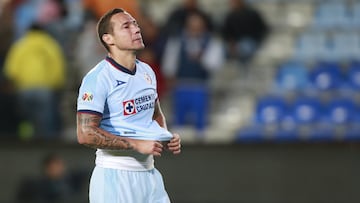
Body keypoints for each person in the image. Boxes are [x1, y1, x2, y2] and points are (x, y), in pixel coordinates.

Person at [76, 8, 181, 203]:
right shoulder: (98, 78)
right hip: (115, 176)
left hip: (150, 175)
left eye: (135, 24)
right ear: (109, 39)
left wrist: (164, 136)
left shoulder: (146, 70)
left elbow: (154, 111)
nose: (136, 29)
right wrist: (136, 144)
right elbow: (85, 134)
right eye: (126, 26)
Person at [161, 11, 225, 138]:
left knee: (200, 122)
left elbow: (214, 64)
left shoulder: (211, 42)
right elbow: (169, 62)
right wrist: (170, 76)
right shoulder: (178, 41)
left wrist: (201, 58)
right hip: (181, 84)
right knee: (179, 120)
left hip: (200, 85)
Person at [4, 23, 66, 139]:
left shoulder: (21, 45)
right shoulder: (50, 44)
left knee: (26, 118)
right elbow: (58, 66)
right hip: (45, 89)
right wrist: (56, 84)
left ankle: (27, 142)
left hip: (24, 89)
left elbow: (11, 69)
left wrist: (16, 84)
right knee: (45, 118)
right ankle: (45, 143)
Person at [221, 0, 269, 65]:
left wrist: (257, 39)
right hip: (234, 43)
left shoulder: (253, 14)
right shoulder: (230, 16)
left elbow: (262, 29)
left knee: (245, 47)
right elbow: (226, 33)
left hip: (250, 41)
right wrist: (231, 43)